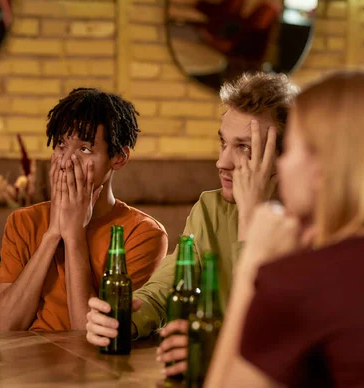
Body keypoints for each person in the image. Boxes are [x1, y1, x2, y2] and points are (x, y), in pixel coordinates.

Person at [206, 67, 364, 387]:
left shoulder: (301, 280)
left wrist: (254, 262)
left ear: (325, 167)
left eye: (289, 148)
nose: (280, 164)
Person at [85, 72, 299, 377]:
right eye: (223, 142)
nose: (222, 162)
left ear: (285, 155)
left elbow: (274, 332)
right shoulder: (210, 209)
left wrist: (253, 216)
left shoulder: (314, 224)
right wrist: (125, 316)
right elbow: (165, 287)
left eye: (244, 147)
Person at [0, 88, 168, 332]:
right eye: (61, 145)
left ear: (118, 158)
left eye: (84, 149)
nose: (67, 161)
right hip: (24, 363)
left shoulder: (143, 234)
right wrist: (53, 234)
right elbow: (3, 327)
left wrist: (74, 235)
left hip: (95, 367)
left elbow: (92, 336)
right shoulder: (23, 221)